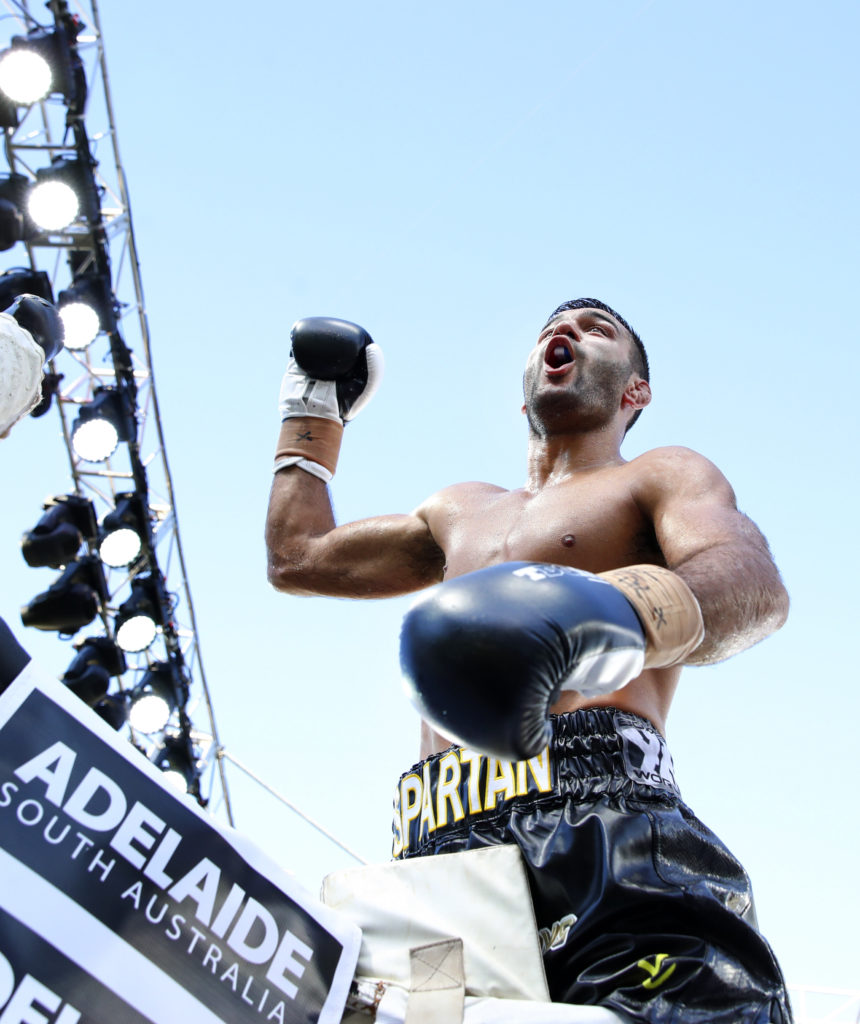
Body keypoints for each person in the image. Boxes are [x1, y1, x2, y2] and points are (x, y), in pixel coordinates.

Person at [265, 301, 792, 1023]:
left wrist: (615, 613)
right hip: (438, 850)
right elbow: (298, 558)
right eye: (553, 327)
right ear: (522, 397)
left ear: (635, 391)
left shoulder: (661, 475)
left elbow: (752, 582)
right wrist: (313, 409)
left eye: (597, 328)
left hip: (601, 815)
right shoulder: (458, 509)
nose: (566, 330)